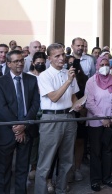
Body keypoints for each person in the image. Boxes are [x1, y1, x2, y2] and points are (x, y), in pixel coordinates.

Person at [34, 43, 83, 194]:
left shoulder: (69, 73)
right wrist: (68, 81)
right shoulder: (44, 76)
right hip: (51, 119)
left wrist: (77, 105)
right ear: (49, 58)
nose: (62, 58)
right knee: (45, 162)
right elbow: (54, 98)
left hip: (69, 117)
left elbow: (74, 96)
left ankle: (62, 190)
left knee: (67, 160)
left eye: (62, 54)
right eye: (57, 56)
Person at [0, 49, 40, 193]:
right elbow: (1, 108)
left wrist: (23, 125)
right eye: (16, 61)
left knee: (22, 168)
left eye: (21, 60)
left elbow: (35, 104)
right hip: (6, 132)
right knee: (3, 169)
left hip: (27, 131)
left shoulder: (31, 79)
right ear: (9, 63)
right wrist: (17, 126)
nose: (20, 63)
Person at [85, 55, 112, 191]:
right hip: (96, 123)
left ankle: (107, 178)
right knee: (96, 152)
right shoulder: (91, 81)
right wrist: (103, 118)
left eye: (107, 64)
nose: (104, 67)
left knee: (108, 151)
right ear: (97, 66)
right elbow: (90, 103)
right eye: (102, 65)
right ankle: (95, 181)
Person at [66, 55, 88, 182]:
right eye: (68, 64)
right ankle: (67, 172)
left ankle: (77, 169)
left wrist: (83, 109)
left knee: (79, 142)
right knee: (67, 145)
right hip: (67, 114)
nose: (71, 66)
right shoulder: (62, 76)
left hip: (80, 113)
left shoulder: (83, 79)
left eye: (73, 64)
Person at [27, 51, 48, 181]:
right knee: (34, 141)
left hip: (45, 111)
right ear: (33, 63)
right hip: (33, 112)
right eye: (38, 63)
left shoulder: (46, 75)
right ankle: (33, 166)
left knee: (44, 141)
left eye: (42, 63)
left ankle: (43, 167)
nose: (40, 64)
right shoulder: (28, 76)